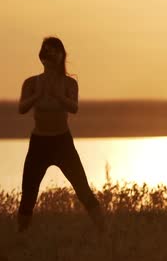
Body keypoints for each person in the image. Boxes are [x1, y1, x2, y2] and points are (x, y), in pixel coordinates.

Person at [17, 36, 105, 233]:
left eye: (54, 51)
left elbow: (74, 107)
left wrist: (57, 95)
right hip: (39, 143)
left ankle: (104, 232)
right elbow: (21, 108)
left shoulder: (69, 84)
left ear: (61, 55)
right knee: (28, 195)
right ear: (41, 56)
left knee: (83, 190)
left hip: (62, 142)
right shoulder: (31, 83)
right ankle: (20, 236)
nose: (49, 55)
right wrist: (38, 95)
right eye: (46, 51)